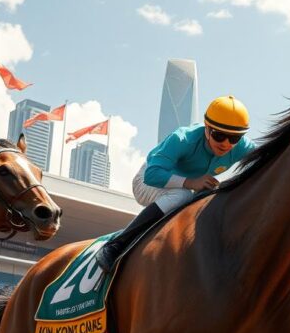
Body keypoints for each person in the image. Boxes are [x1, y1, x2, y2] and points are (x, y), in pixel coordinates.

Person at [95, 96, 257, 272]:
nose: (226, 144)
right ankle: (116, 245)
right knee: (182, 195)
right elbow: (152, 175)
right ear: (207, 129)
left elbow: (273, 156)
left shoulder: (243, 147)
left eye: (234, 138)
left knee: (210, 197)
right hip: (149, 180)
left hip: (185, 187)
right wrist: (191, 182)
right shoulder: (182, 139)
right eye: (219, 135)